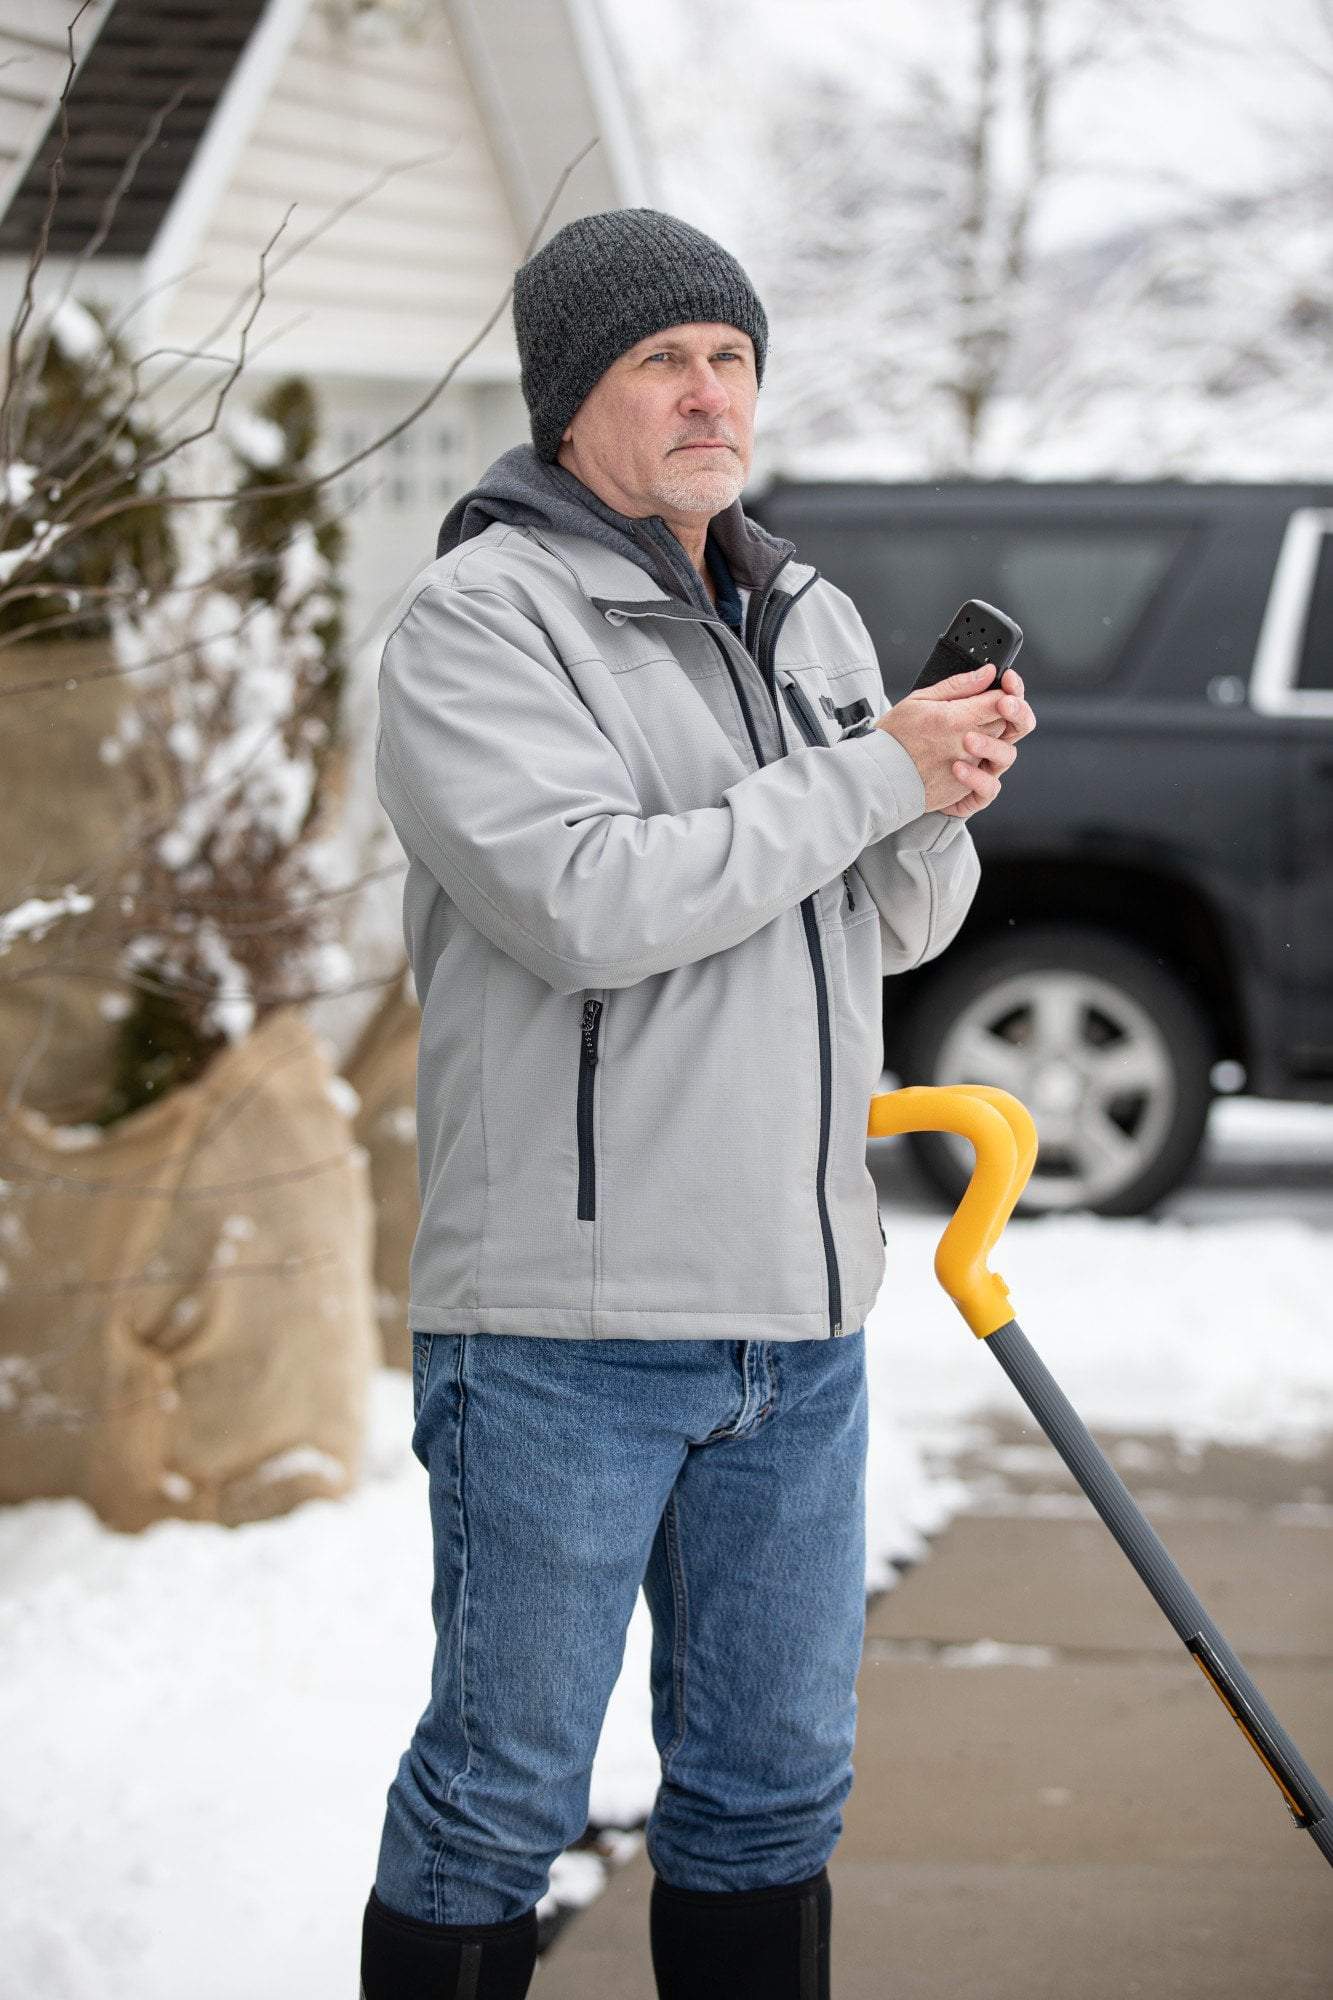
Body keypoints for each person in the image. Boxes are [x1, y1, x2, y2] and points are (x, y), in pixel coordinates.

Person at [361, 206, 1036, 2000]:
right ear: (571, 398)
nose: (706, 394)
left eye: (729, 358)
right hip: (565, 1333)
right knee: (500, 1802)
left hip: (796, 1327)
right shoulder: (480, 620)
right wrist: (861, 777)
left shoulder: (797, 609)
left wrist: (933, 793)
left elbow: (884, 923)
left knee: (767, 1800)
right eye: (662, 361)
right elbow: (587, 906)